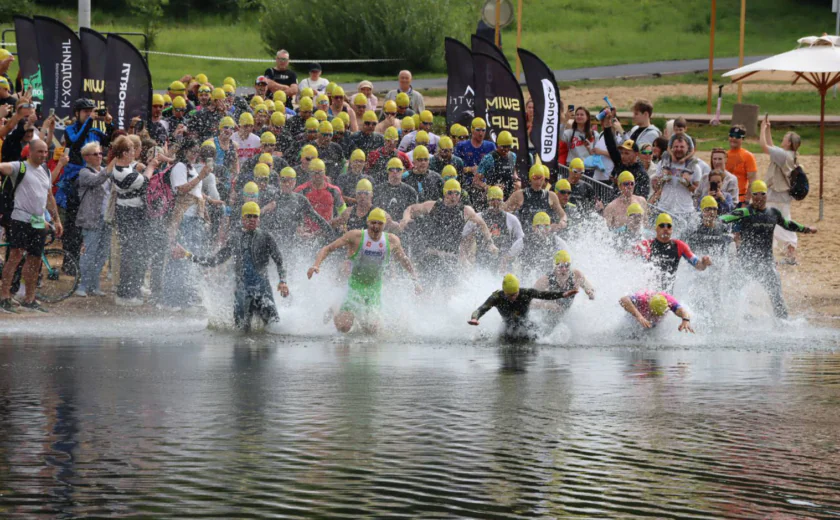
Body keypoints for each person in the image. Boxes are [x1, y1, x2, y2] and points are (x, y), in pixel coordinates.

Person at [175, 201, 289, 332]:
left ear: (259, 219)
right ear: (243, 218)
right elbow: (214, 261)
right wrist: (188, 255)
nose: (252, 219)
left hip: (263, 290)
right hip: (242, 292)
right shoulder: (235, 239)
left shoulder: (266, 237)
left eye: (255, 216)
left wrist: (283, 281)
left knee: (274, 327)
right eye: (249, 216)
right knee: (241, 332)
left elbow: (279, 261)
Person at [308, 208, 421, 334]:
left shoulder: (391, 240)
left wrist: (415, 280)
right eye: (373, 223)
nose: (376, 226)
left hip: (374, 288)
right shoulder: (356, 236)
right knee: (344, 327)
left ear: (384, 225)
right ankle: (336, 308)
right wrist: (316, 265)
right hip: (355, 286)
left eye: (379, 223)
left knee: (371, 331)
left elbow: (404, 260)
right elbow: (328, 248)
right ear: (367, 222)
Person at [720, 180, 817, 319]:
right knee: (733, 294)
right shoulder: (744, 212)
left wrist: (805, 229)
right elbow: (724, 218)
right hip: (745, 263)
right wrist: (709, 221)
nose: (759, 197)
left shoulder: (773, 213)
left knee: (777, 297)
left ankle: (782, 324)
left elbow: (787, 224)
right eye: (755, 194)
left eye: (762, 194)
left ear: (767, 195)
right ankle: (727, 322)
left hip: (766, 263)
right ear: (751, 195)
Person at [0, 140, 63, 313]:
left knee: (35, 259)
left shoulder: (46, 171)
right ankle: (4, 297)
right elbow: (3, 167)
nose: (44, 155)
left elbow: (49, 197)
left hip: (38, 220)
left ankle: (29, 298)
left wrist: (57, 220)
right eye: (40, 151)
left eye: (46, 151)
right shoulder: (20, 167)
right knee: (15, 256)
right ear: (30, 152)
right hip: (20, 219)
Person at [400, 179, 497, 281]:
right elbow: (411, 209)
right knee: (425, 287)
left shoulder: (465, 211)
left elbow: (482, 224)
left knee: (451, 289)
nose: (453, 196)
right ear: (444, 193)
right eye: (450, 193)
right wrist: (405, 219)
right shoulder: (432, 206)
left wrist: (490, 243)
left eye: (457, 193)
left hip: (451, 259)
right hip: (431, 255)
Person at [108, 136, 154, 306]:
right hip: (128, 214)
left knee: (138, 251)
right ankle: (125, 294)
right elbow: (145, 182)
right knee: (130, 254)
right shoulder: (121, 172)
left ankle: (134, 287)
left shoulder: (125, 167)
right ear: (125, 153)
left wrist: (140, 166)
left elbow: (135, 171)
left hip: (133, 213)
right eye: (132, 150)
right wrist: (151, 166)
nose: (135, 152)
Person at [468, 273, 578, 341]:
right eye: (510, 295)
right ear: (504, 292)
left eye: (515, 294)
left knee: (536, 338)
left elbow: (544, 295)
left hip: (527, 327)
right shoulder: (497, 297)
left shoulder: (525, 293)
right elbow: (481, 309)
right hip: (508, 328)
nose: (513, 297)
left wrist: (562, 294)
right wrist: (474, 318)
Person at [760, 116, 801, 264]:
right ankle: (788, 255)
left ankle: (789, 255)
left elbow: (764, 147)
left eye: (784, 138)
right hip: (781, 197)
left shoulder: (783, 155)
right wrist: (768, 130)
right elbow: (772, 146)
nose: (782, 139)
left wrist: (762, 128)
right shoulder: (789, 155)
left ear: (789, 143)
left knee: (777, 225)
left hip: (777, 197)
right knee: (781, 224)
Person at [635, 213, 712, 292]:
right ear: (656, 229)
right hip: (648, 293)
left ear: (671, 229)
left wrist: (704, 263)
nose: (665, 228)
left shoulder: (679, 246)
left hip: (667, 295)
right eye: (662, 225)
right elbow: (627, 261)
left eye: (668, 226)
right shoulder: (646, 245)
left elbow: (699, 266)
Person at [75, 142, 111, 298]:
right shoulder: (84, 172)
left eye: (100, 153)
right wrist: (111, 166)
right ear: (86, 157)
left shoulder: (105, 171)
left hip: (107, 218)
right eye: (95, 154)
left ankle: (94, 285)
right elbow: (96, 180)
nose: (99, 156)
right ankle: (83, 285)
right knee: (89, 252)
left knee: (102, 254)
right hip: (91, 219)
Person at [462, 186, 524, 272]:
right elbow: (464, 237)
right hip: (481, 263)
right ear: (488, 201)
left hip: (504, 264)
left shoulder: (511, 219)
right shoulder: (478, 217)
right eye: (492, 200)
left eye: (498, 200)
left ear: (502, 201)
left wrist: (509, 255)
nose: (495, 204)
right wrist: (467, 257)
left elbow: (521, 240)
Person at [533, 250, 595, 326]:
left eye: (567, 265)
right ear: (555, 266)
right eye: (561, 266)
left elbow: (590, 288)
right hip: (546, 319)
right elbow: (528, 301)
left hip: (565, 318)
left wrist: (590, 292)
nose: (564, 269)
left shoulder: (576, 276)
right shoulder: (545, 280)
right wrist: (547, 305)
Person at [649, 135, 701, 222]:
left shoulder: (694, 166)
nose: (678, 149)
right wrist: (662, 179)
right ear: (671, 148)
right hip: (664, 209)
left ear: (687, 148)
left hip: (685, 211)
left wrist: (688, 185)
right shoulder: (662, 163)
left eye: (682, 147)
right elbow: (656, 188)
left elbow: (698, 192)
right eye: (676, 147)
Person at [504, 162, 566, 232]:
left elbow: (563, 215)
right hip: (526, 235)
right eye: (535, 178)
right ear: (530, 178)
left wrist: (562, 222)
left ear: (544, 179)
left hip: (546, 235)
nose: (538, 182)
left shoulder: (551, 196)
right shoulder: (519, 194)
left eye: (541, 178)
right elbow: (503, 210)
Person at [602, 110, 650, 198]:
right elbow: (611, 146)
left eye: (627, 153)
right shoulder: (621, 163)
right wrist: (607, 126)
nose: (623, 156)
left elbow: (642, 197)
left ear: (636, 154)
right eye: (622, 153)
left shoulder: (641, 173)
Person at [294, 158, 345, 232]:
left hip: (327, 230)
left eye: (320, 173)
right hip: (307, 232)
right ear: (309, 173)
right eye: (314, 173)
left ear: (324, 173)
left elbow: (342, 209)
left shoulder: (333, 190)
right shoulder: (301, 190)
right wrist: (297, 227)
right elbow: (293, 211)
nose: (317, 176)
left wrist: (343, 224)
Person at [619, 290, 694, 332]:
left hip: (650, 325)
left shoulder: (669, 301)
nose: (655, 317)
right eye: (653, 314)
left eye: (659, 315)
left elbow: (682, 311)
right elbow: (623, 300)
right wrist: (639, 316)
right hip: (633, 320)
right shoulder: (642, 298)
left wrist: (685, 320)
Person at [475, 130, 518, 203]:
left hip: (508, 197)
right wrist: (490, 188)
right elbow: (476, 181)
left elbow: (513, 172)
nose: (506, 150)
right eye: (503, 147)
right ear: (498, 145)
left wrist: (517, 180)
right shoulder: (489, 158)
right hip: (493, 198)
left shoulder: (513, 156)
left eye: (509, 147)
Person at [454, 117, 496, 191]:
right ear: (472, 130)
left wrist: (482, 172)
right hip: (466, 184)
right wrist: (470, 169)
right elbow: (454, 169)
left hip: (484, 184)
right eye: (478, 130)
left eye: (483, 130)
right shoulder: (461, 146)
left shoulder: (490, 146)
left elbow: (497, 167)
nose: (481, 133)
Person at [726, 124, 758, 205]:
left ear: (742, 139)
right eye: (732, 136)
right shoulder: (724, 156)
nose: (734, 138)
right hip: (724, 198)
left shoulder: (748, 156)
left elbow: (752, 180)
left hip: (740, 199)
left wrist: (746, 200)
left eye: (737, 136)